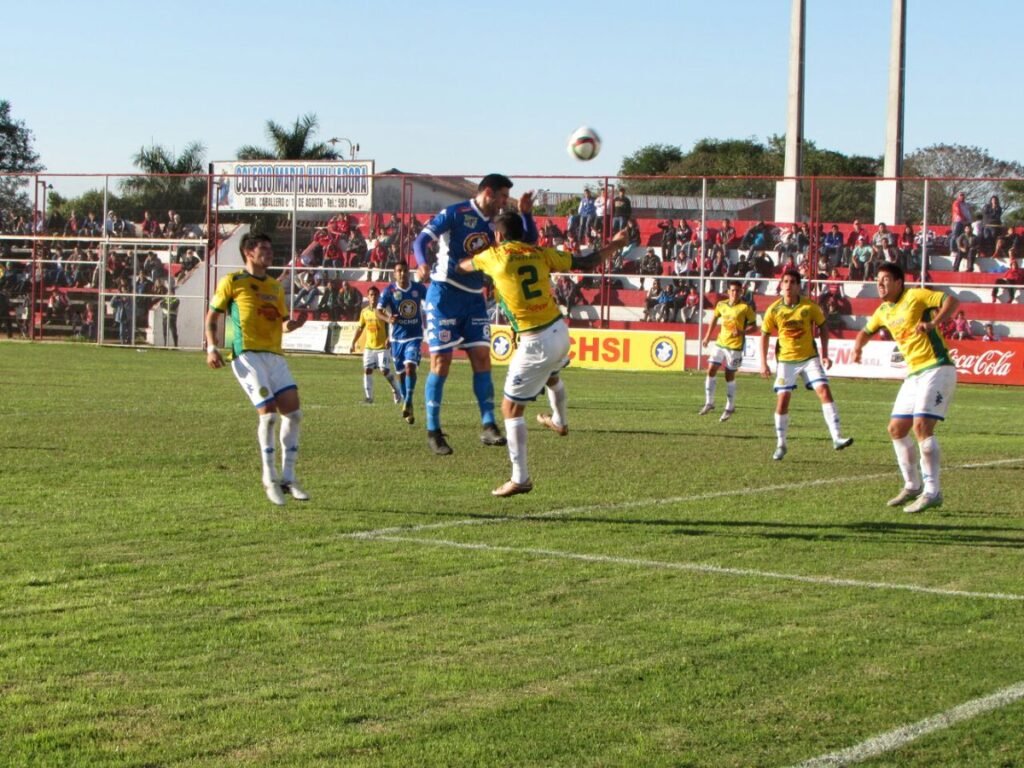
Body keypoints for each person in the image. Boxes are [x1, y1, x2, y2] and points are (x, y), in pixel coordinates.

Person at [457, 212, 629, 496]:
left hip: (535, 341)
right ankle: (559, 421)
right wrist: (615, 244)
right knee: (551, 376)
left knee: (510, 409)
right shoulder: (539, 252)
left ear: (499, 236)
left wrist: (459, 260)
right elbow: (586, 261)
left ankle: (520, 477)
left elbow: (464, 267)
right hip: (560, 331)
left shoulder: (494, 256)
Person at [413, 173, 537, 455]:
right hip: (444, 294)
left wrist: (527, 214)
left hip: (474, 299)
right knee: (440, 362)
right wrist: (421, 264)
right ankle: (433, 430)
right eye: (504, 196)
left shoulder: (498, 221)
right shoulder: (455, 213)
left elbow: (527, 240)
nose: (506, 202)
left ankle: (488, 424)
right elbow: (420, 242)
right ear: (489, 193)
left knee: (482, 358)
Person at [205, 232, 309, 506]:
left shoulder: (275, 287)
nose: (268, 253)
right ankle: (269, 477)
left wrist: (294, 325)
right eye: (262, 248)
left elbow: (283, 322)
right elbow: (212, 316)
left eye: (269, 248)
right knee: (269, 416)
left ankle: (289, 478)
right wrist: (211, 347)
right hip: (247, 355)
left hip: (274, 355)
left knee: (294, 414)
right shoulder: (233, 281)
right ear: (248, 253)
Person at [853, 263, 959, 513]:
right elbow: (865, 331)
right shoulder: (882, 311)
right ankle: (912, 485)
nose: (880, 284)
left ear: (899, 282)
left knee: (921, 426)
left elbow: (951, 301)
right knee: (896, 429)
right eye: (878, 280)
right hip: (914, 374)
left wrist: (933, 323)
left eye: (886, 279)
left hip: (937, 367)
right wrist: (858, 347)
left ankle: (932, 491)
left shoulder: (916, 296)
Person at [759, 269, 854, 461]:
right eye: (785, 281)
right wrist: (763, 363)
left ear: (798, 286)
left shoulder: (809, 307)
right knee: (783, 399)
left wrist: (825, 355)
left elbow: (823, 327)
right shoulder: (774, 310)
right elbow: (764, 334)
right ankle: (781, 443)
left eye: (792, 282)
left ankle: (836, 437)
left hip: (809, 358)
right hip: (786, 361)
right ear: (781, 285)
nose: (788, 285)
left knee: (825, 391)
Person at [699, 280, 757, 422]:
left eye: (738, 290)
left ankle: (730, 407)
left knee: (728, 375)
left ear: (741, 292)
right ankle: (709, 402)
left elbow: (755, 327)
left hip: (735, 347)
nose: (735, 293)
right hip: (720, 343)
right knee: (711, 369)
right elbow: (713, 320)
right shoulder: (721, 305)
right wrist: (707, 337)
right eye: (732, 290)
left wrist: (742, 331)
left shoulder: (745, 308)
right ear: (728, 291)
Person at [378, 261, 426, 424]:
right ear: (394, 273)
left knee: (410, 367)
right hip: (396, 338)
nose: (402, 273)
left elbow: (432, 301)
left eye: (405, 270)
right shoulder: (389, 291)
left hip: (414, 336)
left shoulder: (418, 289)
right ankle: (407, 402)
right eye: (399, 271)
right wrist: (387, 318)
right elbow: (378, 311)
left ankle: (409, 400)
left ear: (408, 272)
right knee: (400, 374)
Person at [349, 285, 402, 405]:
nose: (373, 297)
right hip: (369, 347)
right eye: (371, 295)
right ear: (368, 296)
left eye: (375, 295)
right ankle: (369, 398)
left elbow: (392, 324)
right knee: (367, 370)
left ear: (379, 296)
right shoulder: (364, 312)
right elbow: (360, 328)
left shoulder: (383, 311)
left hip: (382, 347)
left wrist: (389, 337)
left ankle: (396, 390)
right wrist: (353, 342)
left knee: (385, 371)